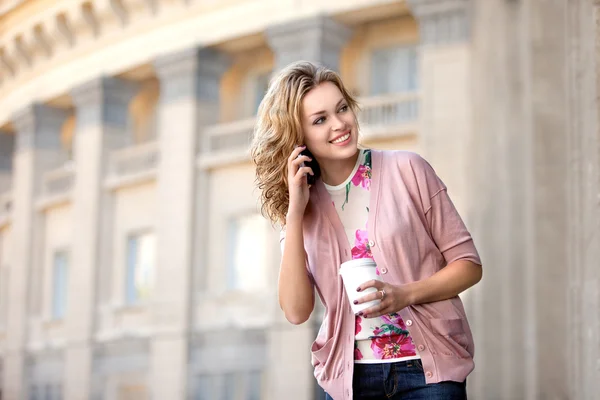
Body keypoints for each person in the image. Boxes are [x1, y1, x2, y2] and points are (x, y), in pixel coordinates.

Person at [250, 61, 482, 400]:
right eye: (320, 119)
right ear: (298, 138)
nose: (340, 123)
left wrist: (405, 294)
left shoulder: (408, 169)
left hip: (428, 374)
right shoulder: (301, 208)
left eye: (342, 108)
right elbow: (297, 311)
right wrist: (296, 213)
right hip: (350, 381)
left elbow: (469, 265)